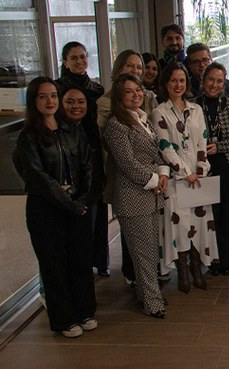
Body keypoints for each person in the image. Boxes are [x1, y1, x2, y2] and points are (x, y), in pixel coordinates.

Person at [13, 77, 98, 338]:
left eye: (53, 95)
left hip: (77, 207)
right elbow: (38, 178)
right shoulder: (28, 136)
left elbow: (88, 164)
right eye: (43, 97)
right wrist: (68, 204)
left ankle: (85, 312)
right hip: (46, 210)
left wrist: (81, 200)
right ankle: (63, 319)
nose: (49, 101)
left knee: (80, 261)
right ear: (34, 101)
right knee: (54, 265)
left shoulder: (72, 129)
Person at [102, 74, 169, 318]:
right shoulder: (116, 125)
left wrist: (163, 174)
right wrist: (153, 181)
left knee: (151, 250)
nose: (136, 95)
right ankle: (153, 302)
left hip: (151, 195)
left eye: (138, 90)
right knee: (142, 253)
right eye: (129, 91)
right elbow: (127, 163)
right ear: (119, 96)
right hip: (132, 197)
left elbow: (156, 152)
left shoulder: (142, 119)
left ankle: (146, 294)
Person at [152, 62, 218, 292]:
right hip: (176, 178)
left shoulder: (196, 109)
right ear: (165, 84)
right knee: (179, 226)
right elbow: (165, 146)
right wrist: (184, 172)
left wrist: (200, 168)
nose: (178, 85)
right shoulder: (159, 112)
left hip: (198, 177)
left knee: (198, 224)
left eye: (181, 80)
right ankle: (182, 273)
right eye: (173, 81)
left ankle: (197, 269)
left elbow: (202, 140)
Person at [95, 49, 159, 284]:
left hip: (151, 172)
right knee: (132, 230)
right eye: (130, 66)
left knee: (147, 235)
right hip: (125, 174)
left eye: (139, 68)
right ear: (118, 69)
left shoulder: (148, 97)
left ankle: (145, 279)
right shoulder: (106, 104)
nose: (136, 71)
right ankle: (136, 278)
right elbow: (115, 147)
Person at [54, 41, 108, 277]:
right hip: (68, 156)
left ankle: (99, 261)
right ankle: (77, 266)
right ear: (65, 62)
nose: (79, 61)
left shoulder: (96, 89)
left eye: (83, 57)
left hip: (94, 155)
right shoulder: (57, 89)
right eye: (73, 58)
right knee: (75, 210)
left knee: (97, 209)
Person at [194, 62, 229, 276]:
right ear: (203, 80)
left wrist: (220, 146)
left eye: (219, 81)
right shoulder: (193, 105)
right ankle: (206, 260)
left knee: (225, 214)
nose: (214, 85)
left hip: (227, 165)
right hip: (201, 167)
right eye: (211, 80)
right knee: (206, 215)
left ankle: (225, 261)